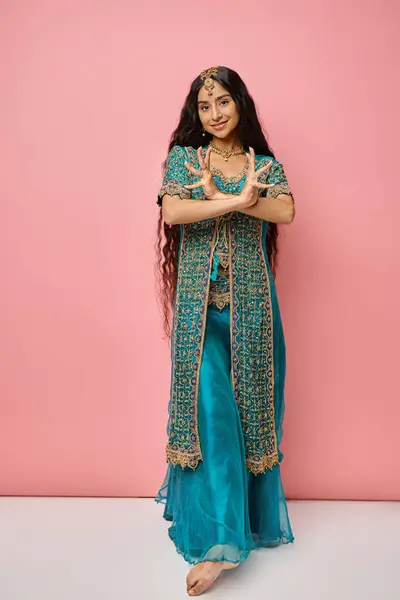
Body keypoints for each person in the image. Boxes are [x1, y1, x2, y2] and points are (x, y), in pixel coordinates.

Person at [154, 65, 295, 596]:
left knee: (251, 412)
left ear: (241, 105)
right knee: (211, 413)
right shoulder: (185, 161)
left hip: (253, 314)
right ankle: (220, 545)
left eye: (223, 103)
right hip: (200, 313)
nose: (214, 115)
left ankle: (242, 523)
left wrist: (245, 195)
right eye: (204, 105)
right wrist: (235, 202)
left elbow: (285, 210)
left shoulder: (264, 165)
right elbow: (174, 211)